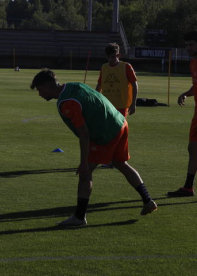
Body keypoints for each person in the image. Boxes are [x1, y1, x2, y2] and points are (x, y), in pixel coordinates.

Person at [30, 69, 157, 226]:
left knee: (86, 173)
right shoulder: (73, 86)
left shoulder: (66, 102)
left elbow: (84, 134)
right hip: (120, 122)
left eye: (39, 89)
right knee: (120, 163)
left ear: (47, 86)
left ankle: (79, 217)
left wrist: (83, 163)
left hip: (106, 133)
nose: (39, 94)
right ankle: (148, 201)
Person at [167, 31, 197, 197]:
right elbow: (196, 87)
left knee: (194, 148)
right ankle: (188, 187)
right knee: (193, 148)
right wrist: (186, 93)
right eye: (186, 45)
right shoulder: (193, 63)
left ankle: (188, 187)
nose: (188, 48)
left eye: (191, 44)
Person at [95, 43, 138, 118]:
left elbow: (134, 85)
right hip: (107, 105)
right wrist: (96, 101)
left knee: (119, 129)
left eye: (117, 56)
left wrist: (133, 103)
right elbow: (99, 85)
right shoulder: (104, 67)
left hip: (122, 106)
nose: (115, 58)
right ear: (107, 57)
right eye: (112, 57)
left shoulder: (126, 66)